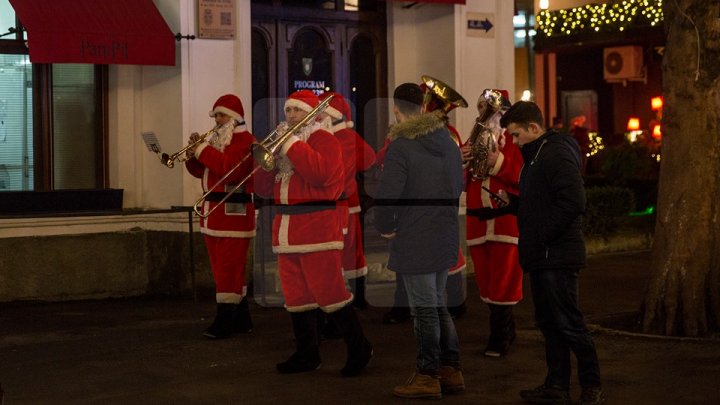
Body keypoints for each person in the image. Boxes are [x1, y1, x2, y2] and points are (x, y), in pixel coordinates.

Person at [253, 90, 373, 377]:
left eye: (297, 111)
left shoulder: (325, 140)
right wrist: (261, 163)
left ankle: (359, 346)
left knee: (330, 292)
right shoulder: (285, 145)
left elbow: (322, 175)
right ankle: (307, 353)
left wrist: (291, 144)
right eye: (288, 111)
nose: (291, 116)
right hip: (287, 229)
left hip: (318, 228)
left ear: (314, 114)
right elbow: (262, 188)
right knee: (296, 296)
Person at [498, 101, 604, 405]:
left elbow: (573, 202)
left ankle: (591, 386)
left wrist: (540, 237)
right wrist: (515, 205)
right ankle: (556, 385)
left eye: (517, 135)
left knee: (569, 322)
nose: (515, 143)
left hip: (556, 254)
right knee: (549, 322)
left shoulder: (554, 153)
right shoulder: (537, 155)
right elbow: (544, 203)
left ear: (534, 128)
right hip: (544, 254)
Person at [374, 83, 464, 399]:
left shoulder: (401, 145)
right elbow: (458, 186)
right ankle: (450, 370)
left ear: (397, 108)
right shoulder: (449, 143)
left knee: (424, 309)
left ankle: (428, 375)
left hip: (415, 235)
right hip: (444, 233)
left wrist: (384, 226)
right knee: (438, 304)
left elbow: (388, 195)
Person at [185, 94, 256, 339]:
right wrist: (192, 154)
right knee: (222, 268)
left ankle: (225, 319)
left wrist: (203, 149)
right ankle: (241, 317)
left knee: (229, 268)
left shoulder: (246, 141)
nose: (217, 120)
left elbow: (231, 171)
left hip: (234, 214)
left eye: (222, 115)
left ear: (235, 117)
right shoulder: (218, 140)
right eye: (215, 115)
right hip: (214, 213)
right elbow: (202, 171)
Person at [461, 89, 523, 357]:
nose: (485, 113)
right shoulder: (474, 137)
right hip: (478, 220)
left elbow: (523, 175)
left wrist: (498, 162)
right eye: (482, 108)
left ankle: (499, 337)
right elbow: (464, 182)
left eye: (491, 108)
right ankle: (508, 328)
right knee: (486, 281)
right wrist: (460, 163)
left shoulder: (515, 139)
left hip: (504, 221)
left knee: (504, 280)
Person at [319, 91, 377, 309]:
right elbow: (369, 159)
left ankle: (349, 296)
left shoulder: (337, 139)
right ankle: (357, 296)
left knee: (345, 251)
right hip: (342, 203)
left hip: (342, 204)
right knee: (351, 251)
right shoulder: (345, 137)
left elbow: (369, 158)